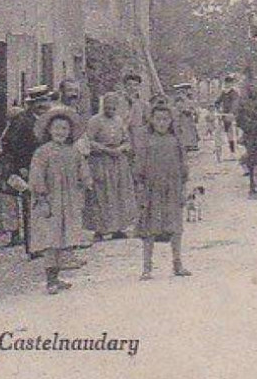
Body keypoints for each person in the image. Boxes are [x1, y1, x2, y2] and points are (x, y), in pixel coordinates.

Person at [28, 108, 93, 295]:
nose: (61, 132)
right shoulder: (42, 152)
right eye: (57, 128)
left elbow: (83, 170)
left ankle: (57, 276)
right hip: (50, 201)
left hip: (68, 200)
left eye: (64, 129)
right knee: (50, 239)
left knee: (63, 238)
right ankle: (50, 281)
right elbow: (37, 176)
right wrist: (41, 197)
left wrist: (87, 182)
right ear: (49, 130)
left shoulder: (73, 152)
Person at [133, 101, 191, 280]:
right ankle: (147, 267)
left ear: (170, 121)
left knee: (175, 227)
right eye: (158, 119)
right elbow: (139, 168)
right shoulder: (146, 142)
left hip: (172, 189)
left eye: (165, 119)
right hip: (152, 191)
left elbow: (183, 168)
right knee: (150, 229)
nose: (162, 123)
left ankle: (177, 263)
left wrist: (182, 189)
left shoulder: (176, 141)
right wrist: (141, 189)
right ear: (151, 120)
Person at [0, 85, 53, 253]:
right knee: (31, 205)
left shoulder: (48, 119)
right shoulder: (22, 121)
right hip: (26, 168)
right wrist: (21, 167)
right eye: (40, 102)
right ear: (32, 104)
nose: (44, 105)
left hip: (44, 167)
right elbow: (11, 145)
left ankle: (46, 241)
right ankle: (34, 247)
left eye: (46, 101)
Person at [80, 91, 137, 241]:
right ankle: (100, 229)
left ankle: (119, 227)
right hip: (101, 160)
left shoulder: (118, 121)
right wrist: (105, 149)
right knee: (101, 194)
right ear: (103, 105)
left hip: (118, 161)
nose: (110, 110)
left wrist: (121, 148)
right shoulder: (95, 121)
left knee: (119, 193)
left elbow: (126, 139)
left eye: (113, 107)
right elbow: (89, 141)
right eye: (107, 107)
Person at [214, 75, 241, 156]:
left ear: (231, 84)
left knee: (231, 133)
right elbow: (217, 102)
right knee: (221, 132)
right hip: (224, 114)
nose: (227, 85)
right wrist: (217, 109)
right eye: (226, 83)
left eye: (229, 83)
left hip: (232, 115)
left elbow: (235, 103)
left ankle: (232, 151)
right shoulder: (223, 92)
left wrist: (232, 112)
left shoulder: (234, 93)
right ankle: (220, 148)